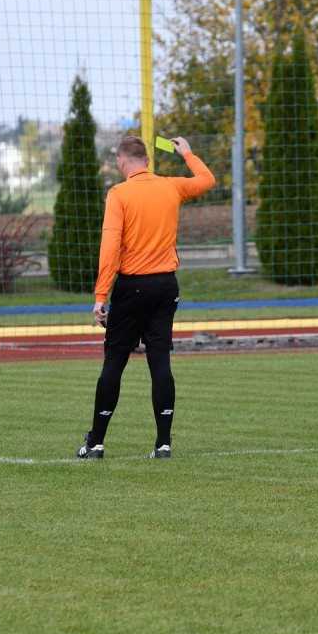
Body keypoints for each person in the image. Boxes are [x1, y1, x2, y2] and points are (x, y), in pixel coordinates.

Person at [77, 136, 215, 460]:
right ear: (148, 161)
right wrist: (187, 153)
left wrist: (100, 295)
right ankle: (163, 444)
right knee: (160, 363)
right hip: (167, 286)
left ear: (121, 163)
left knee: (114, 362)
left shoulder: (119, 193)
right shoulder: (171, 186)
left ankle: (95, 443)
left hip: (132, 287)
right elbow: (207, 180)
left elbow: (110, 247)